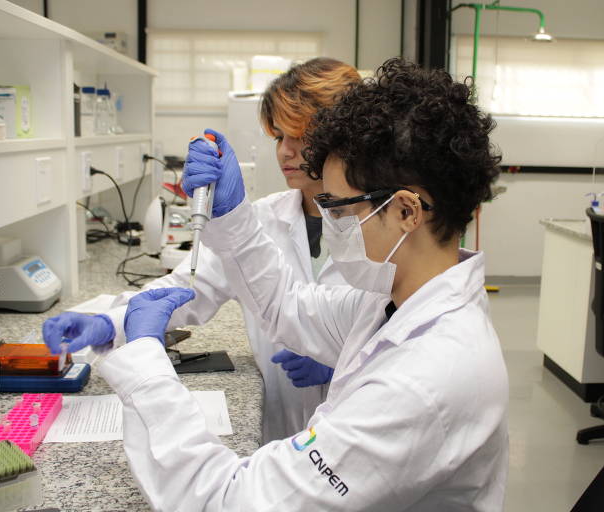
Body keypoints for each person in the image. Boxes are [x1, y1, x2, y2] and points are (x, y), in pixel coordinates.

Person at [95, 58, 508, 511]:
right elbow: (288, 305)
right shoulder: (395, 303)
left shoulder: (423, 382)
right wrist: (233, 218)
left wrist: (145, 367)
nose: (329, 221)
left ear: (406, 212)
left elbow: (228, 500)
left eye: (338, 207)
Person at [42, 57, 361, 443]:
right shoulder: (261, 219)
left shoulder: (381, 226)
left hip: (359, 433)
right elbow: (191, 287)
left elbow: (406, 329)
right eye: (279, 136)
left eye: (301, 135)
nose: (285, 152)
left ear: (344, 136)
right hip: (281, 433)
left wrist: (344, 361)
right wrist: (107, 322)